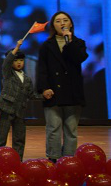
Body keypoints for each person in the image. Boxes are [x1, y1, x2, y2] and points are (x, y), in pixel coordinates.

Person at [37, 11, 88, 162]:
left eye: (65, 20)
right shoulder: (46, 45)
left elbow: (79, 58)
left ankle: (68, 160)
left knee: (71, 129)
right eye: (58, 21)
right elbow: (42, 69)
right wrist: (44, 88)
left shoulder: (78, 43)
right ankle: (53, 158)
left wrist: (70, 42)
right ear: (53, 25)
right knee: (53, 128)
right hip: (53, 91)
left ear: (71, 24)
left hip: (72, 92)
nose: (62, 23)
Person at [0, 39, 43, 160]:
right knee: (2, 136)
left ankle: (18, 160)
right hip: (7, 108)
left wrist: (43, 96)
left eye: (21, 60)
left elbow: (31, 95)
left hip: (20, 110)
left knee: (19, 138)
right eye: (16, 60)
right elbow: (6, 62)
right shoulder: (8, 73)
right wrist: (16, 47)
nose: (19, 62)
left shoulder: (27, 79)